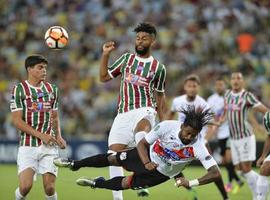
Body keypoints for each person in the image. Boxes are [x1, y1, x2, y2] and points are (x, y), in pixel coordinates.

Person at [53, 106, 229, 200]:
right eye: (187, 132)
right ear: (182, 126)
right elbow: (143, 143)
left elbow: (215, 173)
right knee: (113, 158)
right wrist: (146, 162)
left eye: (193, 135)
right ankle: (75, 164)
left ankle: (96, 184)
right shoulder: (167, 126)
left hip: (160, 174)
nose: (189, 137)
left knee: (126, 184)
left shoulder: (197, 146)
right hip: (146, 155)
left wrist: (190, 182)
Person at [99, 22, 166, 199]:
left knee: (141, 131)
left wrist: (165, 122)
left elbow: (160, 96)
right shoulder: (126, 59)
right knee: (113, 155)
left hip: (146, 109)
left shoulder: (158, 68)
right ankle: (120, 196)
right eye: (137, 38)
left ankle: (145, 171)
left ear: (153, 41)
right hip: (123, 113)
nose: (140, 41)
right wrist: (105, 55)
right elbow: (104, 77)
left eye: (144, 38)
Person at [10, 55, 66, 200]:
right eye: (40, 67)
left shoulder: (52, 89)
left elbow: (54, 116)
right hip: (28, 145)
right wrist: (41, 135)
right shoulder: (19, 90)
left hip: (49, 146)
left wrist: (58, 135)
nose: (44, 71)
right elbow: (17, 121)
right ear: (30, 69)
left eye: (45, 68)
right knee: (25, 187)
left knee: (50, 188)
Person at [167, 75, 229, 200]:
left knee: (213, 169)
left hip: (199, 141)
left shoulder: (203, 104)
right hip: (181, 141)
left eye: (194, 86)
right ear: (185, 87)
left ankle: (225, 196)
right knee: (170, 164)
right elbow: (170, 114)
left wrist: (206, 139)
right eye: (189, 86)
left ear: (198, 88)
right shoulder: (177, 101)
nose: (192, 89)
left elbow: (211, 124)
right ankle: (190, 189)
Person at [223, 72, 269, 200]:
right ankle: (263, 182)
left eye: (238, 78)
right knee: (239, 170)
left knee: (246, 168)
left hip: (245, 137)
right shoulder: (227, 95)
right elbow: (228, 113)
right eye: (233, 78)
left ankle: (258, 195)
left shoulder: (247, 96)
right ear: (230, 81)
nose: (235, 80)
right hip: (233, 138)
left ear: (243, 81)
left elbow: (264, 109)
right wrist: (217, 122)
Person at [207, 78, 243, 194]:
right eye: (217, 85)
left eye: (221, 85)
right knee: (224, 161)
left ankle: (230, 182)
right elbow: (210, 115)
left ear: (225, 86)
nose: (219, 87)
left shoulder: (231, 96)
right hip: (220, 132)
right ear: (215, 86)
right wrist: (213, 128)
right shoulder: (211, 99)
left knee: (228, 158)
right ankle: (237, 180)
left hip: (231, 131)